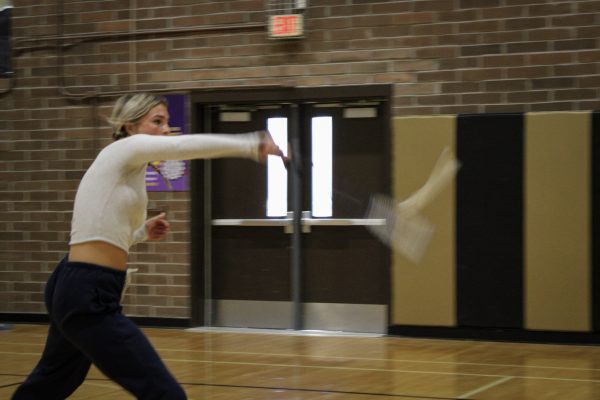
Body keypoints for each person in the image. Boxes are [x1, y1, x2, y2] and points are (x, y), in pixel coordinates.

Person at [12, 93, 286, 400]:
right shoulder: (126, 148)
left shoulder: (125, 167)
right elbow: (183, 147)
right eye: (157, 121)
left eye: (168, 122)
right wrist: (252, 143)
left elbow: (102, 231)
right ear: (130, 126)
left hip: (75, 284)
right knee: (164, 393)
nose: (166, 129)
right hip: (87, 291)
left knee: (52, 382)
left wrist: (141, 232)